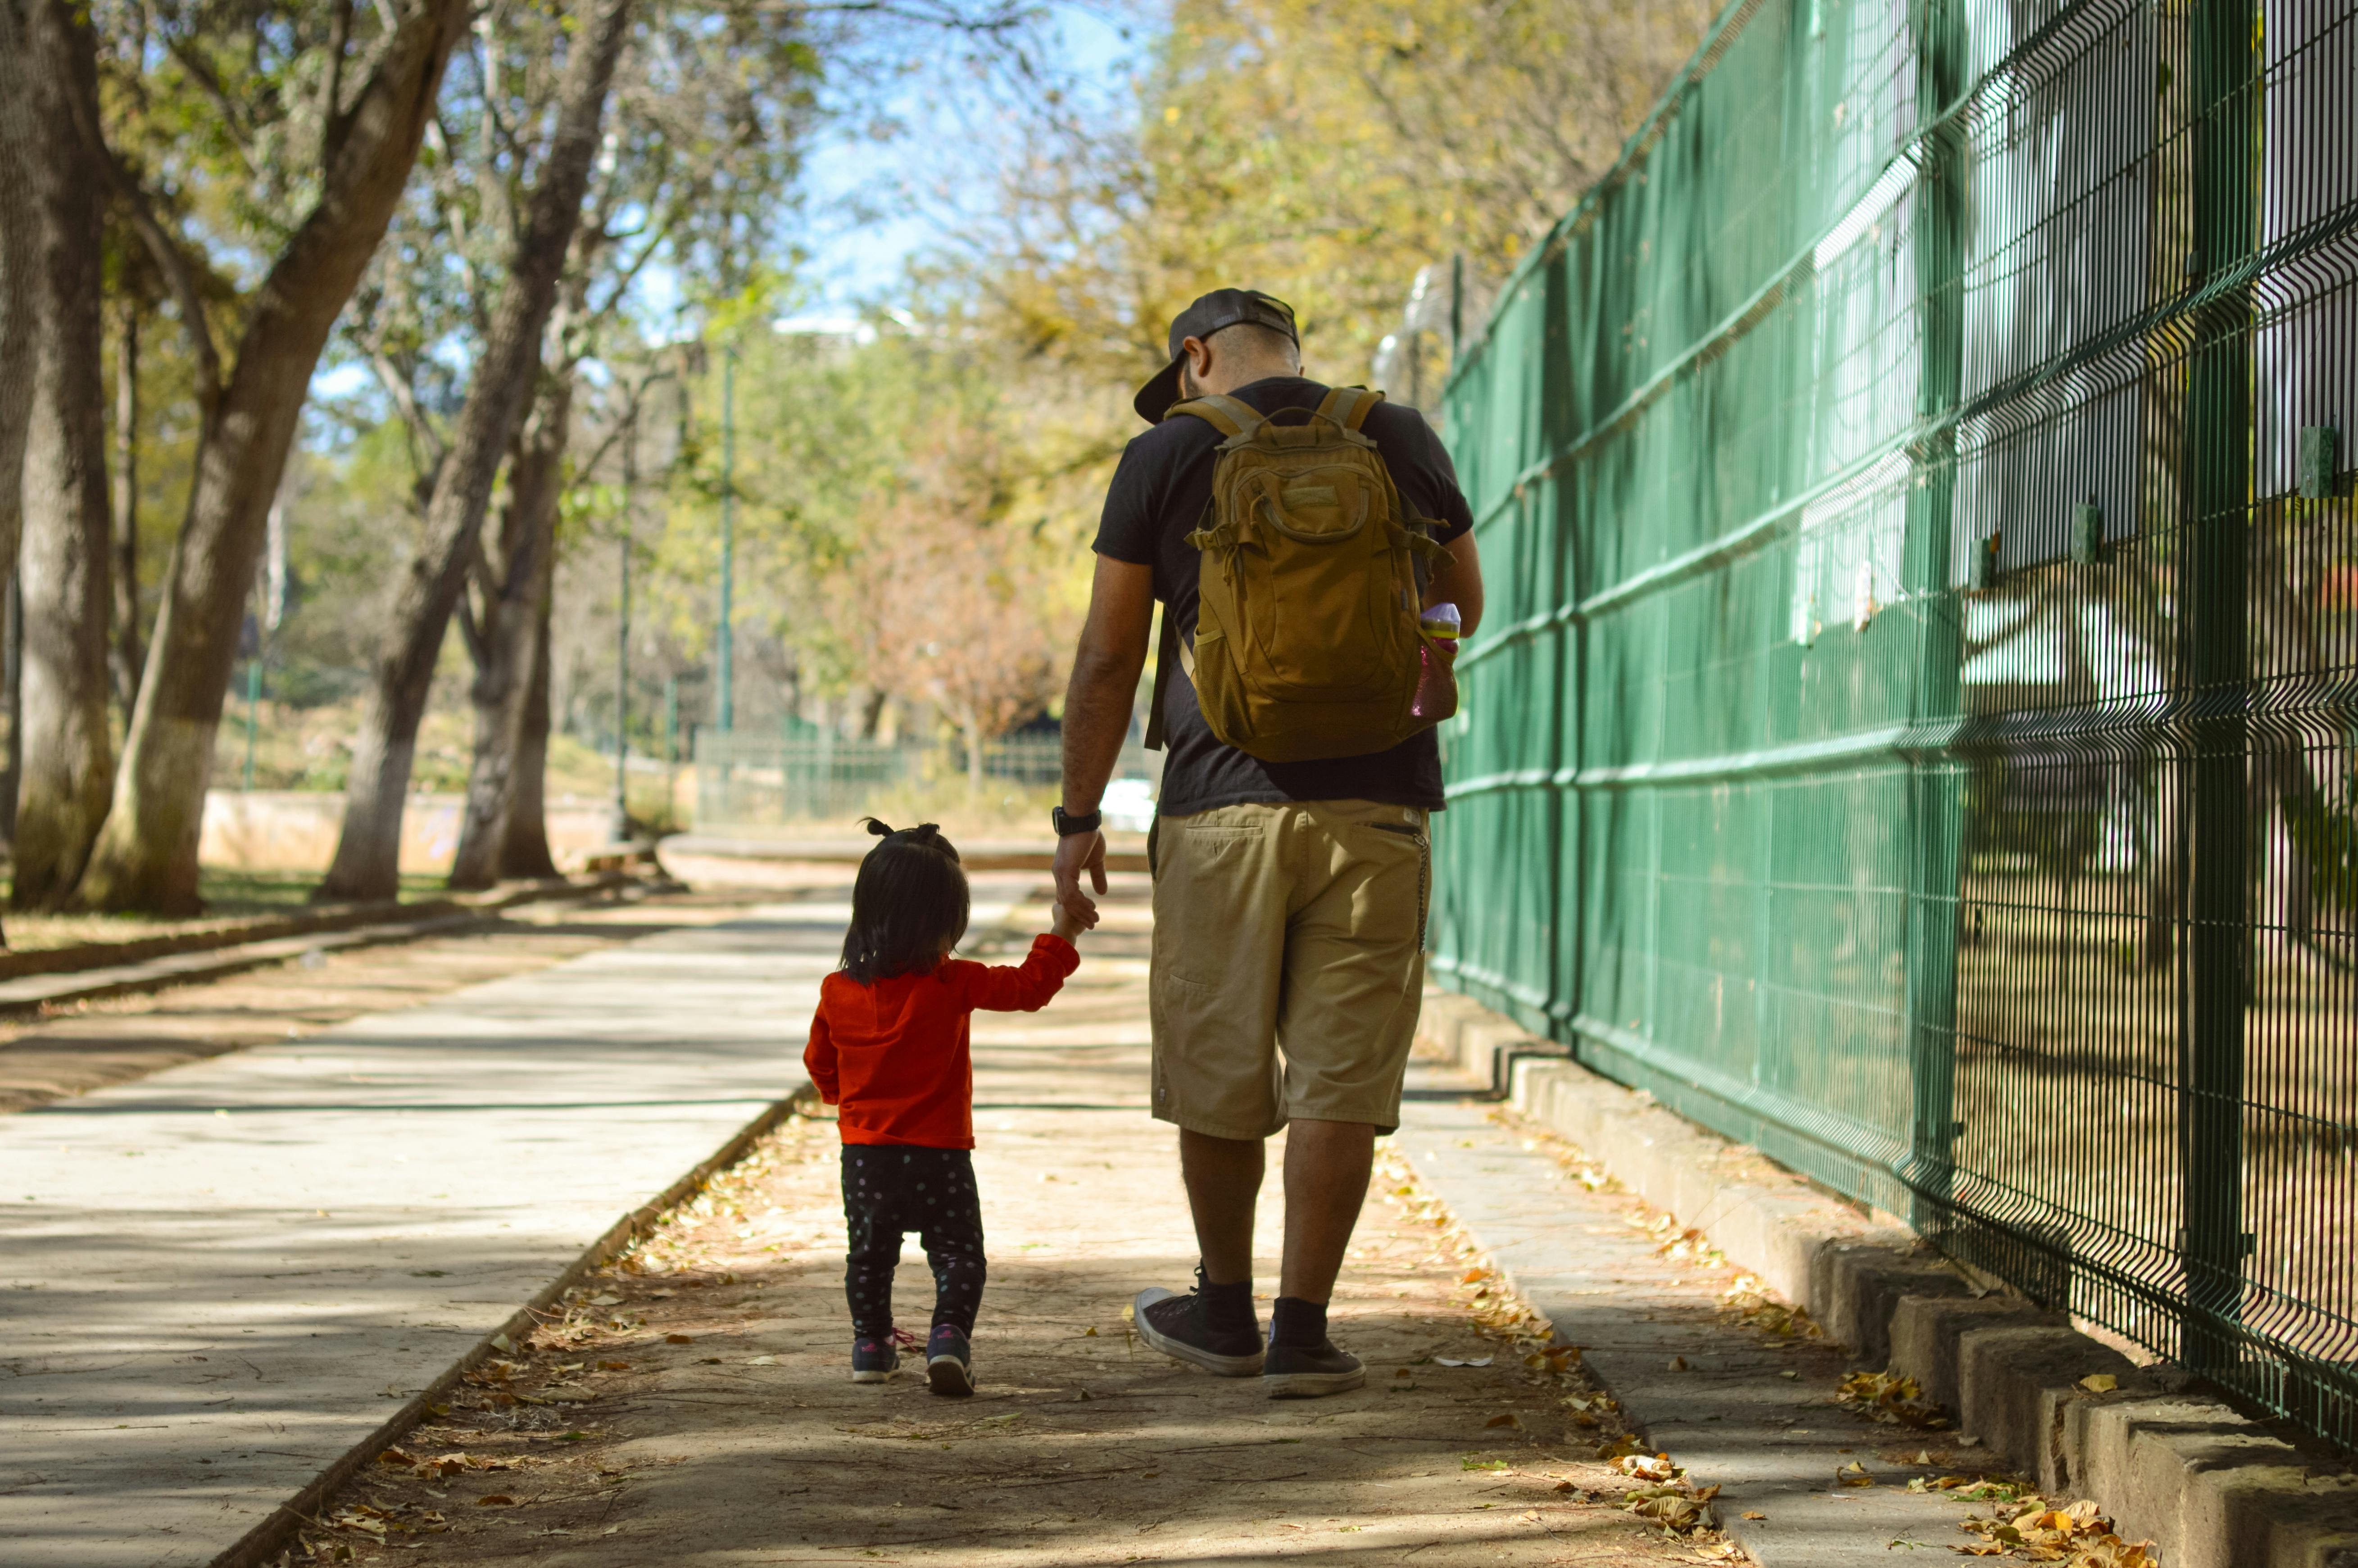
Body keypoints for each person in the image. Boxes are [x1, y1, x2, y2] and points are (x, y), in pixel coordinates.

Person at [1051, 288, 1484, 1398]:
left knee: (1217, 1064)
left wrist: (1077, 818)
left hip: (1217, 809)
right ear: (1291, 352)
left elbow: (1108, 655)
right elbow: (1463, 605)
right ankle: (1303, 1330)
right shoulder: (1395, 433)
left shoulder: (1164, 455)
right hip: (1380, 804)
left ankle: (1224, 1311)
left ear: (1196, 357)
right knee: (1340, 1076)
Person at [804, 818, 1083, 1396]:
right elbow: (1030, 986)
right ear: (950, 918)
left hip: (867, 1155)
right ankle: (949, 1338)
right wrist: (1064, 929)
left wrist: (848, 1103)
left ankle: (871, 1346)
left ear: (866, 909)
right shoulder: (955, 981)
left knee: (869, 1256)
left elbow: (820, 1063)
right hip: (942, 1155)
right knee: (958, 1254)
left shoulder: (837, 989)